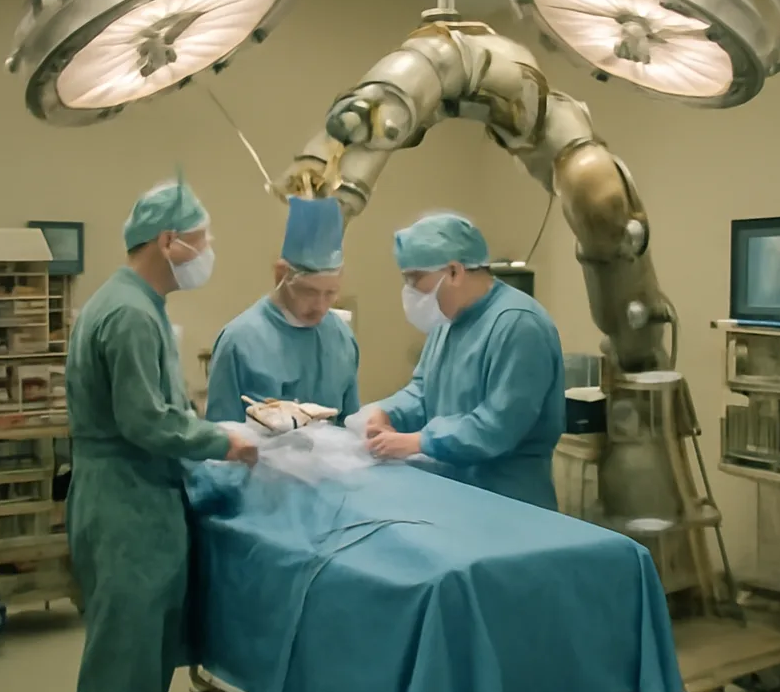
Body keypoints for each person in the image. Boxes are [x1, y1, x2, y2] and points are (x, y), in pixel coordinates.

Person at [66, 179, 259, 692]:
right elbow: (145, 421)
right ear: (169, 241)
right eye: (201, 240)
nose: (207, 253)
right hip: (123, 500)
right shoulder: (126, 314)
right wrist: (224, 440)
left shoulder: (137, 305)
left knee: (148, 647)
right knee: (124, 651)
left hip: (140, 494)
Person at [365, 212, 565, 510]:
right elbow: (423, 390)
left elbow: (499, 425)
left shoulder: (519, 325)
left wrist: (420, 442)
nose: (409, 292)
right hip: (456, 495)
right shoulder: (447, 323)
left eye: (415, 279)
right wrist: (388, 412)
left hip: (510, 503)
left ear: (455, 272)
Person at [205, 195, 359, 425]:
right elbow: (222, 438)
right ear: (281, 275)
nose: (320, 307)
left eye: (330, 293)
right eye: (309, 292)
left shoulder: (341, 338)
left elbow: (350, 425)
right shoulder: (239, 341)